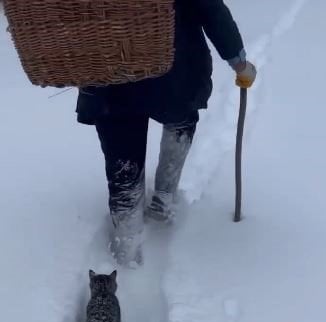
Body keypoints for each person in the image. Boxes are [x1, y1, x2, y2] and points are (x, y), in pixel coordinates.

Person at [76, 0, 256, 266]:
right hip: (174, 70)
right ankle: (164, 196)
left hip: (110, 75)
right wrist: (239, 62)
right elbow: (210, 9)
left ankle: (127, 240)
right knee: (179, 120)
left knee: (121, 154)